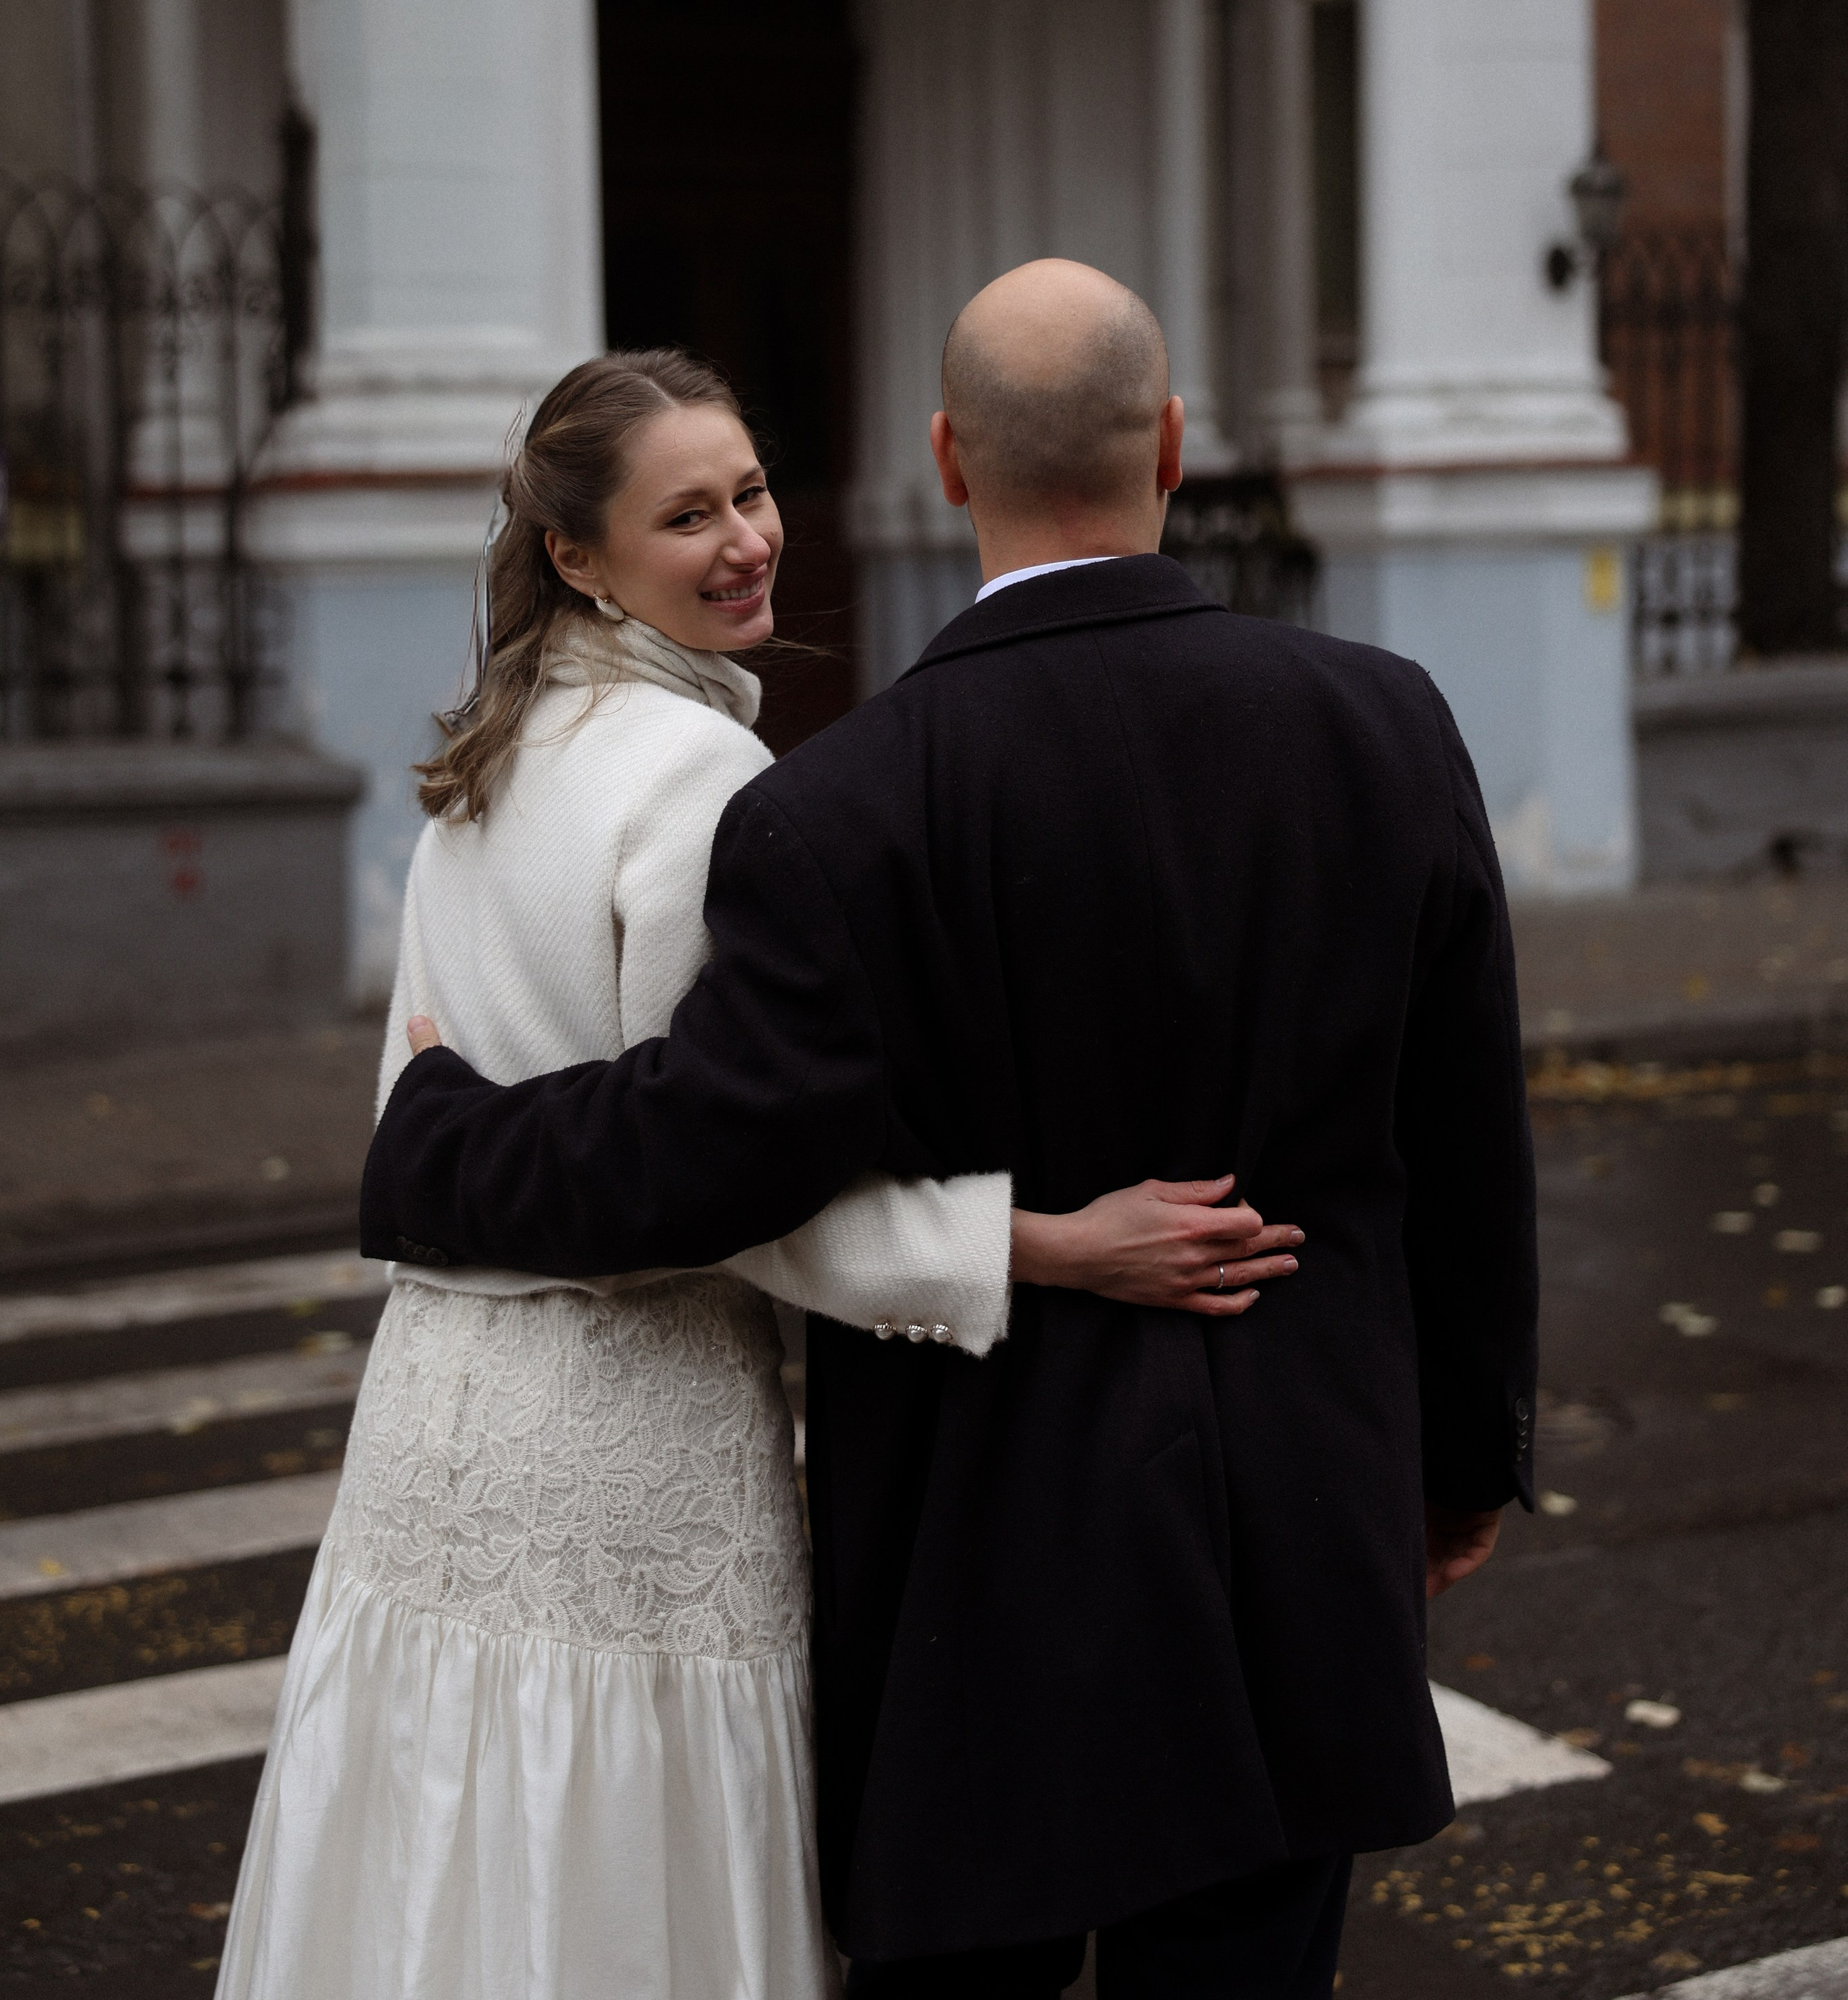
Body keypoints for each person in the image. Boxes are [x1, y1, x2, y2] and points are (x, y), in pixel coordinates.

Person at [362, 265, 1538, 2000]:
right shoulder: (1387, 724)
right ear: (1171, 444)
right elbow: (1464, 1142)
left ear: (942, 462)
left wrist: (434, 1139)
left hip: (975, 1584)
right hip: (1304, 1528)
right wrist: (1456, 1466)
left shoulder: (841, 808)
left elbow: (710, 1155)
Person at [219, 345, 1299, 2000]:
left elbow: (440, 1104)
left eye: (751, 492)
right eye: (688, 516)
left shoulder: (480, 763)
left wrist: (433, 1160)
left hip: (434, 1422)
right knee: (624, 1867)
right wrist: (1040, 1247)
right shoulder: (708, 779)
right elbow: (734, 1188)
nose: (748, 540)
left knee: (447, 1863)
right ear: (577, 555)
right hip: (631, 1436)